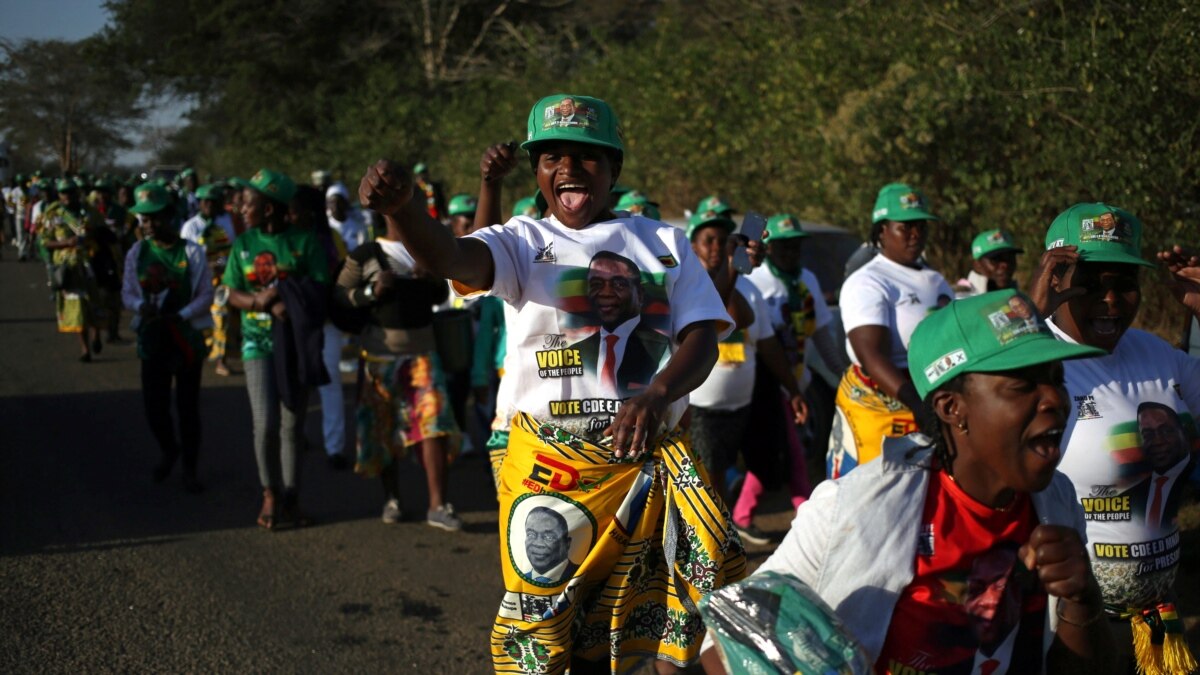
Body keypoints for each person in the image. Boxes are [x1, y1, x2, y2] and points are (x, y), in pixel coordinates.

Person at [358, 93, 745, 673]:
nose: (567, 167)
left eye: (586, 156)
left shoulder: (664, 244)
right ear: (538, 172)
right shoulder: (519, 241)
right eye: (551, 157)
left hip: (641, 468)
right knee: (542, 628)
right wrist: (406, 212)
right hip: (548, 471)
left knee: (609, 632)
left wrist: (657, 393)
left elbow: (701, 339)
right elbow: (452, 257)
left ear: (614, 167)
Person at [701, 289, 1115, 675]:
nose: (1055, 399)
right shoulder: (854, 507)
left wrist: (1082, 598)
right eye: (1023, 385)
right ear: (952, 408)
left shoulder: (1056, 500)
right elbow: (732, 636)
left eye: (1057, 379)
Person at [1027, 203, 1200, 673]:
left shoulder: (1155, 354)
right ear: (1057, 281)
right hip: (1070, 624)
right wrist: (1030, 314)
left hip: (1157, 618)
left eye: (1124, 284)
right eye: (1091, 283)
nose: (1110, 301)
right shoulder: (1037, 364)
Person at [332, 206, 461, 529]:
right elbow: (338, 297)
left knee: (434, 426)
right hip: (380, 358)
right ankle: (392, 499)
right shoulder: (365, 255)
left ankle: (438, 504)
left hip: (423, 356)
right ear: (385, 216)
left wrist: (430, 276)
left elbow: (441, 293)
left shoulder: (424, 252)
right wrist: (371, 291)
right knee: (384, 429)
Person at [221, 169, 330, 530]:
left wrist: (287, 295)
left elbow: (320, 289)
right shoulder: (244, 244)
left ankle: (292, 497)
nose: (241, 208)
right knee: (265, 422)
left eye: (249, 203)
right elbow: (231, 292)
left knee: (292, 424)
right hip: (257, 343)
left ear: (269, 209)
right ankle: (270, 492)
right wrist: (261, 302)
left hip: (295, 344)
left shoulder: (305, 241)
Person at [686, 209, 802, 534]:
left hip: (741, 407)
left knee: (739, 471)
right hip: (699, 409)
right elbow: (717, 308)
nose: (715, 247)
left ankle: (724, 536)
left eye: (723, 241)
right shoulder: (685, 285)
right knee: (709, 478)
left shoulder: (748, 290)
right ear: (692, 246)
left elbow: (766, 343)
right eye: (708, 240)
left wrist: (793, 390)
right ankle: (712, 543)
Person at [827, 183, 953, 478]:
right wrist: (918, 405)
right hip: (885, 406)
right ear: (881, 230)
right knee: (874, 497)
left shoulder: (936, 279)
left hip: (929, 400)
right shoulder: (869, 281)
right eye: (905, 226)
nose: (915, 234)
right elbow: (871, 356)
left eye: (920, 226)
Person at [122, 183, 213, 493]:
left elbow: (206, 294)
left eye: (153, 218)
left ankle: (190, 469)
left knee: (188, 409)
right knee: (154, 407)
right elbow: (129, 291)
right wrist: (140, 305)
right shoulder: (138, 251)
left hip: (186, 339)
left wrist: (183, 314)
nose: (147, 224)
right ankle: (168, 448)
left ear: (169, 216)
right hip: (152, 338)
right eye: (143, 218)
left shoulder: (192, 251)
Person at [36, 178, 108, 361]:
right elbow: (44, 241)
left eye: (70, 192)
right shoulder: (53, 214)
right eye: (63, 193)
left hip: (89, 264)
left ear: (77, 193)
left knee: (95, 303)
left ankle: (97, 336)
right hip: (68, 267)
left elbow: (104, 233)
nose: (67, 196)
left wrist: (91, 237)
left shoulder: (89, 211)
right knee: (77, 308)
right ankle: (85, 349)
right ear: (59, 195)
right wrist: (65, 243)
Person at [180, 183, 236, 376]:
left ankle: (221, 359)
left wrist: (219, 263)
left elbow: (228, 251)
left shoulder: (225, 224)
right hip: (198, 280)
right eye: (206, 202)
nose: (209, 205)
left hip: (220, 280)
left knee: (221, 317)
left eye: (214, 202)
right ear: (199, 203)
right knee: (198, 319)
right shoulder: (191, 227)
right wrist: (205, 264)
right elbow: (186, 256)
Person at [956, 228, 1024, 298]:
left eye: (1009, 258)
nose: (1005, 265)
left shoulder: (1022, 299)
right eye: (995, 259)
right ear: (977, 264)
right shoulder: (960, 299)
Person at [326, 182, 367, 252]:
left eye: (339, 202)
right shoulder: (327, 226)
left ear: (345, 203)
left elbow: (364, 246)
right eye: (332, 202)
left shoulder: (357, 224)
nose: (335, 206)